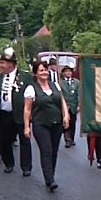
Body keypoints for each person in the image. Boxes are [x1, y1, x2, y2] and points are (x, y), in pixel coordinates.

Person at [0, 48, 33, 176]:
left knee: (24, 141)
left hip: (20, 114)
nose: (0, 65)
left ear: (10, 64)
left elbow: (32, 95)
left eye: (2, 63)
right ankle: (8, 163)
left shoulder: (25, 77)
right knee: (4, 140)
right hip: (4, 114)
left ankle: (26, 167)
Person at [23, 60, 70, 191]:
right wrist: (27, 127)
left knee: (54, 151)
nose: (45, 72)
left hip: (56, 124)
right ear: (35, 73)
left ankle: (51, 175)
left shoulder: (55, 85)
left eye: (46, 70)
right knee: (46, 150)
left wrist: (66, 115)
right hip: (40, 124)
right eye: (41, 70)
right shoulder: (31, 89)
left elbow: (62, 101)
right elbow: (27, 109)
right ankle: (49, 180)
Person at [60, 66, 80, 148]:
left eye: (69, 71)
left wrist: (79, 105)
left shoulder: (76, 82)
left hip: (73, 106)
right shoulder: (60, 83)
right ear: (63, 73)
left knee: (73, 123)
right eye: (66, 71)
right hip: (65, 106)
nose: (68, 73)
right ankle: (67, 139)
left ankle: (72, 138)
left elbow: (79, 94)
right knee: (66, 123)